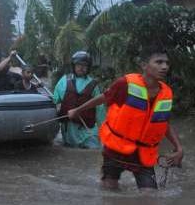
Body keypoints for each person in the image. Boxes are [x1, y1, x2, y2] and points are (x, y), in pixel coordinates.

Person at [67, 46, 184, 190]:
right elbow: (103, 98)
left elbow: (163, 122)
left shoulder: (166, 93)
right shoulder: (125, 84)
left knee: (150, 195)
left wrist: (178, 148)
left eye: (166, 63)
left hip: (143, 154)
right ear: (144, 65)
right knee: (109, 191)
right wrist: (77, 111)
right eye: (159, 62)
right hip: (115, 149)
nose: (165, 67)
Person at [53, 51, 106, 149]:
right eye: (78, 65)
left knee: (93, 150)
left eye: (84, 65)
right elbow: (54, 101)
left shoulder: (93, 85)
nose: (81, 68)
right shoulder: (64, 81)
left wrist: (103, 131)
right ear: (74, 66)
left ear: (88, 67)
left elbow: (100, 110)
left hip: (88, 131)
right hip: (69, 130)